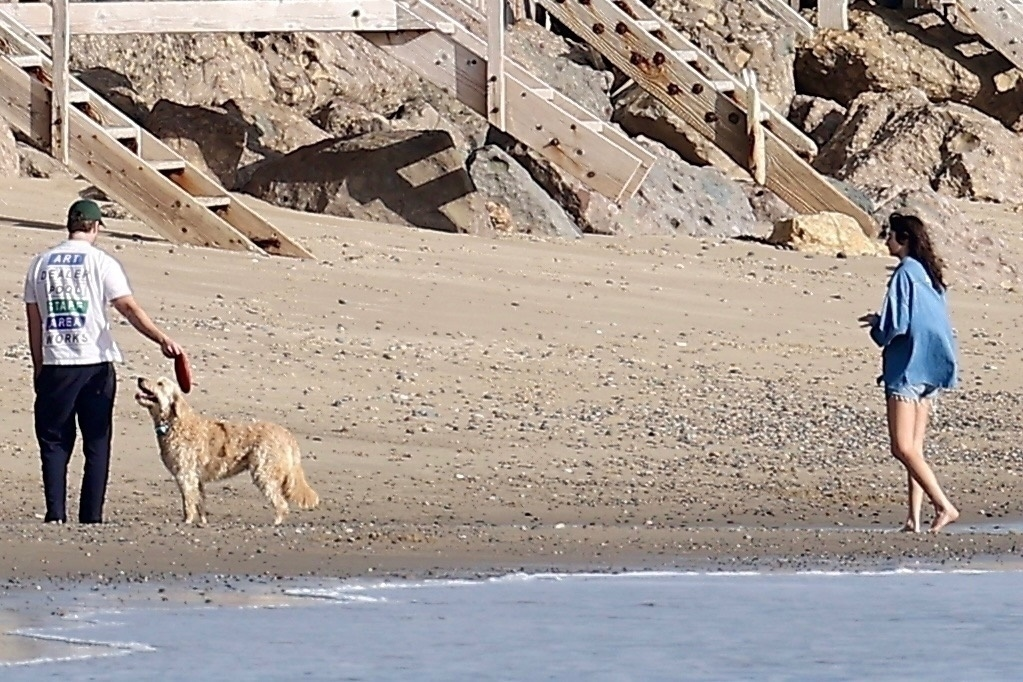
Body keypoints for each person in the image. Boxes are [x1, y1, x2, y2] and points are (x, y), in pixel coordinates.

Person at [23, 199, 184, 524]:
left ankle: (55, 514)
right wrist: (161, 338)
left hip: (57, 363)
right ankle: (91, 517)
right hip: (96, 365)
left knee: (54, 441)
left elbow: (34, 321)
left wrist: (39, 367)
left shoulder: (40, 264)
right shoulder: (102, 262)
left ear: (69, 226)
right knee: (96, 441)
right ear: (95, 227)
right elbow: (128, 308)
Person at [859, 212, 959, 534]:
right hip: (932, 366)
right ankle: (913, 519)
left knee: (901, 447)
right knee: (914, 449)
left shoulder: (904, 274)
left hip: (907, 368)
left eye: (890, 235)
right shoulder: (930, 274)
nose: (886, 240)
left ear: (902, 240)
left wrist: (877, 330)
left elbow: (896, 325)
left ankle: (944, 506)